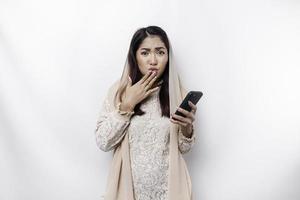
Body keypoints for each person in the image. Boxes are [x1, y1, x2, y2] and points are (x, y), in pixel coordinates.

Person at [95, 25, 198, 200]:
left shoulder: (177, 93)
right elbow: (103, 142)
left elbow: (184, 148)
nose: (153, 60)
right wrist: (127, 105)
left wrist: (187, 128)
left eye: (160, 52)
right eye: (145, 53)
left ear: (168, 56)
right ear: (135, 57)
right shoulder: (118, 91)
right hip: (129, 191)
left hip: (169, 191)